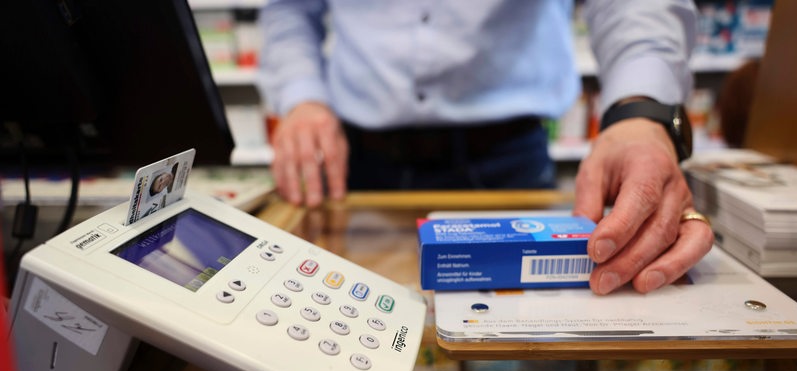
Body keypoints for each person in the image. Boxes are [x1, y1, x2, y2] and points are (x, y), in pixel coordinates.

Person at [257, 0, 714, 295]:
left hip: (507, 160)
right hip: (356, 165)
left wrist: (639, 111)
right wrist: (302, 96)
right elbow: (290, 8)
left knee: (530, 341)